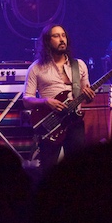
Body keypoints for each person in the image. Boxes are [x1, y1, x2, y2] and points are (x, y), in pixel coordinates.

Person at [23, 23, 96, 170]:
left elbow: (87, 96)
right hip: (51, 123)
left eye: (63, 35)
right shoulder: (36, 68)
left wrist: (89, 95)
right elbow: (27, 100)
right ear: (47, 41)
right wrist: (45, 101)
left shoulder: (79, 65)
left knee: (78, 168)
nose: (62, 39)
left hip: (74, 122)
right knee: (48, 170)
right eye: (56, 36)